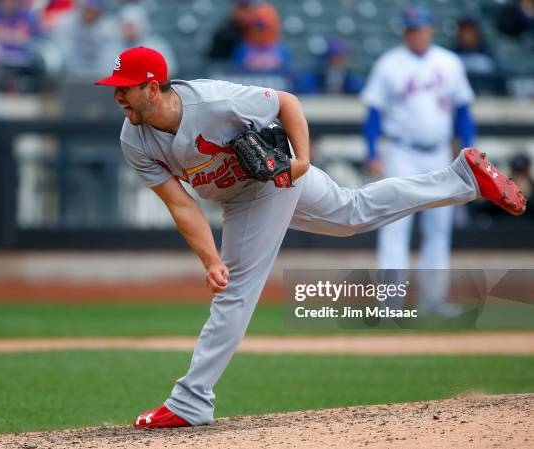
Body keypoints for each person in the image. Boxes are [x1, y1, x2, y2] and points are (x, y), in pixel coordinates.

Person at [94, 46, 525, 428]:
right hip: (244, 192)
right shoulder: (134, 139)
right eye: (116, 87)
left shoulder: (213, 100)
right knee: (353, 212)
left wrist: (301, 161)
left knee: (237, 290)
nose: (117, 95)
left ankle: (190, 401)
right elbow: (181, 203)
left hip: (269, 183)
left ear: (152, 88)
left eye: (125, 87)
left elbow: (286, 102)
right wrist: (210, 258)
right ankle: (463, 177)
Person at [361, 6, 477, 315]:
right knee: (394, 224)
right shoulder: (389, 64)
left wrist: (470, 148)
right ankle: (390, 302)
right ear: (405, 32)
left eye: (421, 28)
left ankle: (434, 299)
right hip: (401, 151)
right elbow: (372, 113)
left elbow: (463, 110)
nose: (417, 33)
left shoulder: (449, 62)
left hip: (440, 152)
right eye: (412, 29)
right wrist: (372, 152)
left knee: (439, 227)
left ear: (430, 30)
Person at [453, 17, 504, 95]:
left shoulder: (488, 56)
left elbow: (499, 85)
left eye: (470, 33)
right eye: (464, 32)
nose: (467, 37)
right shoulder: (452, 57)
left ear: (477, 34)